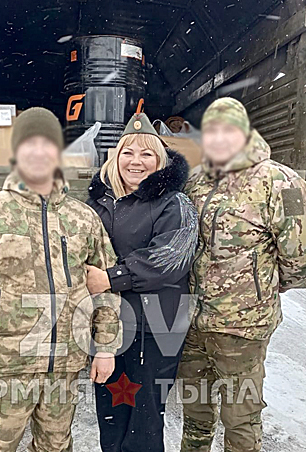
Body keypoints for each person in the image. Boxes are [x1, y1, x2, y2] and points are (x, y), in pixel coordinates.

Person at [0, 107, 122, 452]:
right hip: (6, 367)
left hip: (64, 366)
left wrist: (105, 348)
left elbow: (104, 290)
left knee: (56, 447)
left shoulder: (83, 219)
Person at [178, 98, 306, 452]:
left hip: (242, 329)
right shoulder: (195, 182)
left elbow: (304, 254)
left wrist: (263, 288)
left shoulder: (279, 182)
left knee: (240, 419)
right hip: (192, 324)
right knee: (195, 413)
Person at [86, 112, 199, 452]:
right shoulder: (99, 202)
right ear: (116, 157)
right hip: (110, 326)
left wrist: (111, 278)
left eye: (146, 153)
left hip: (155, 328)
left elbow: (169, 259)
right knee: (111, 411)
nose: (136, 161)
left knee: (144, 418)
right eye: (128, 153)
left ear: (160, 160)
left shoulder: (174, 203)